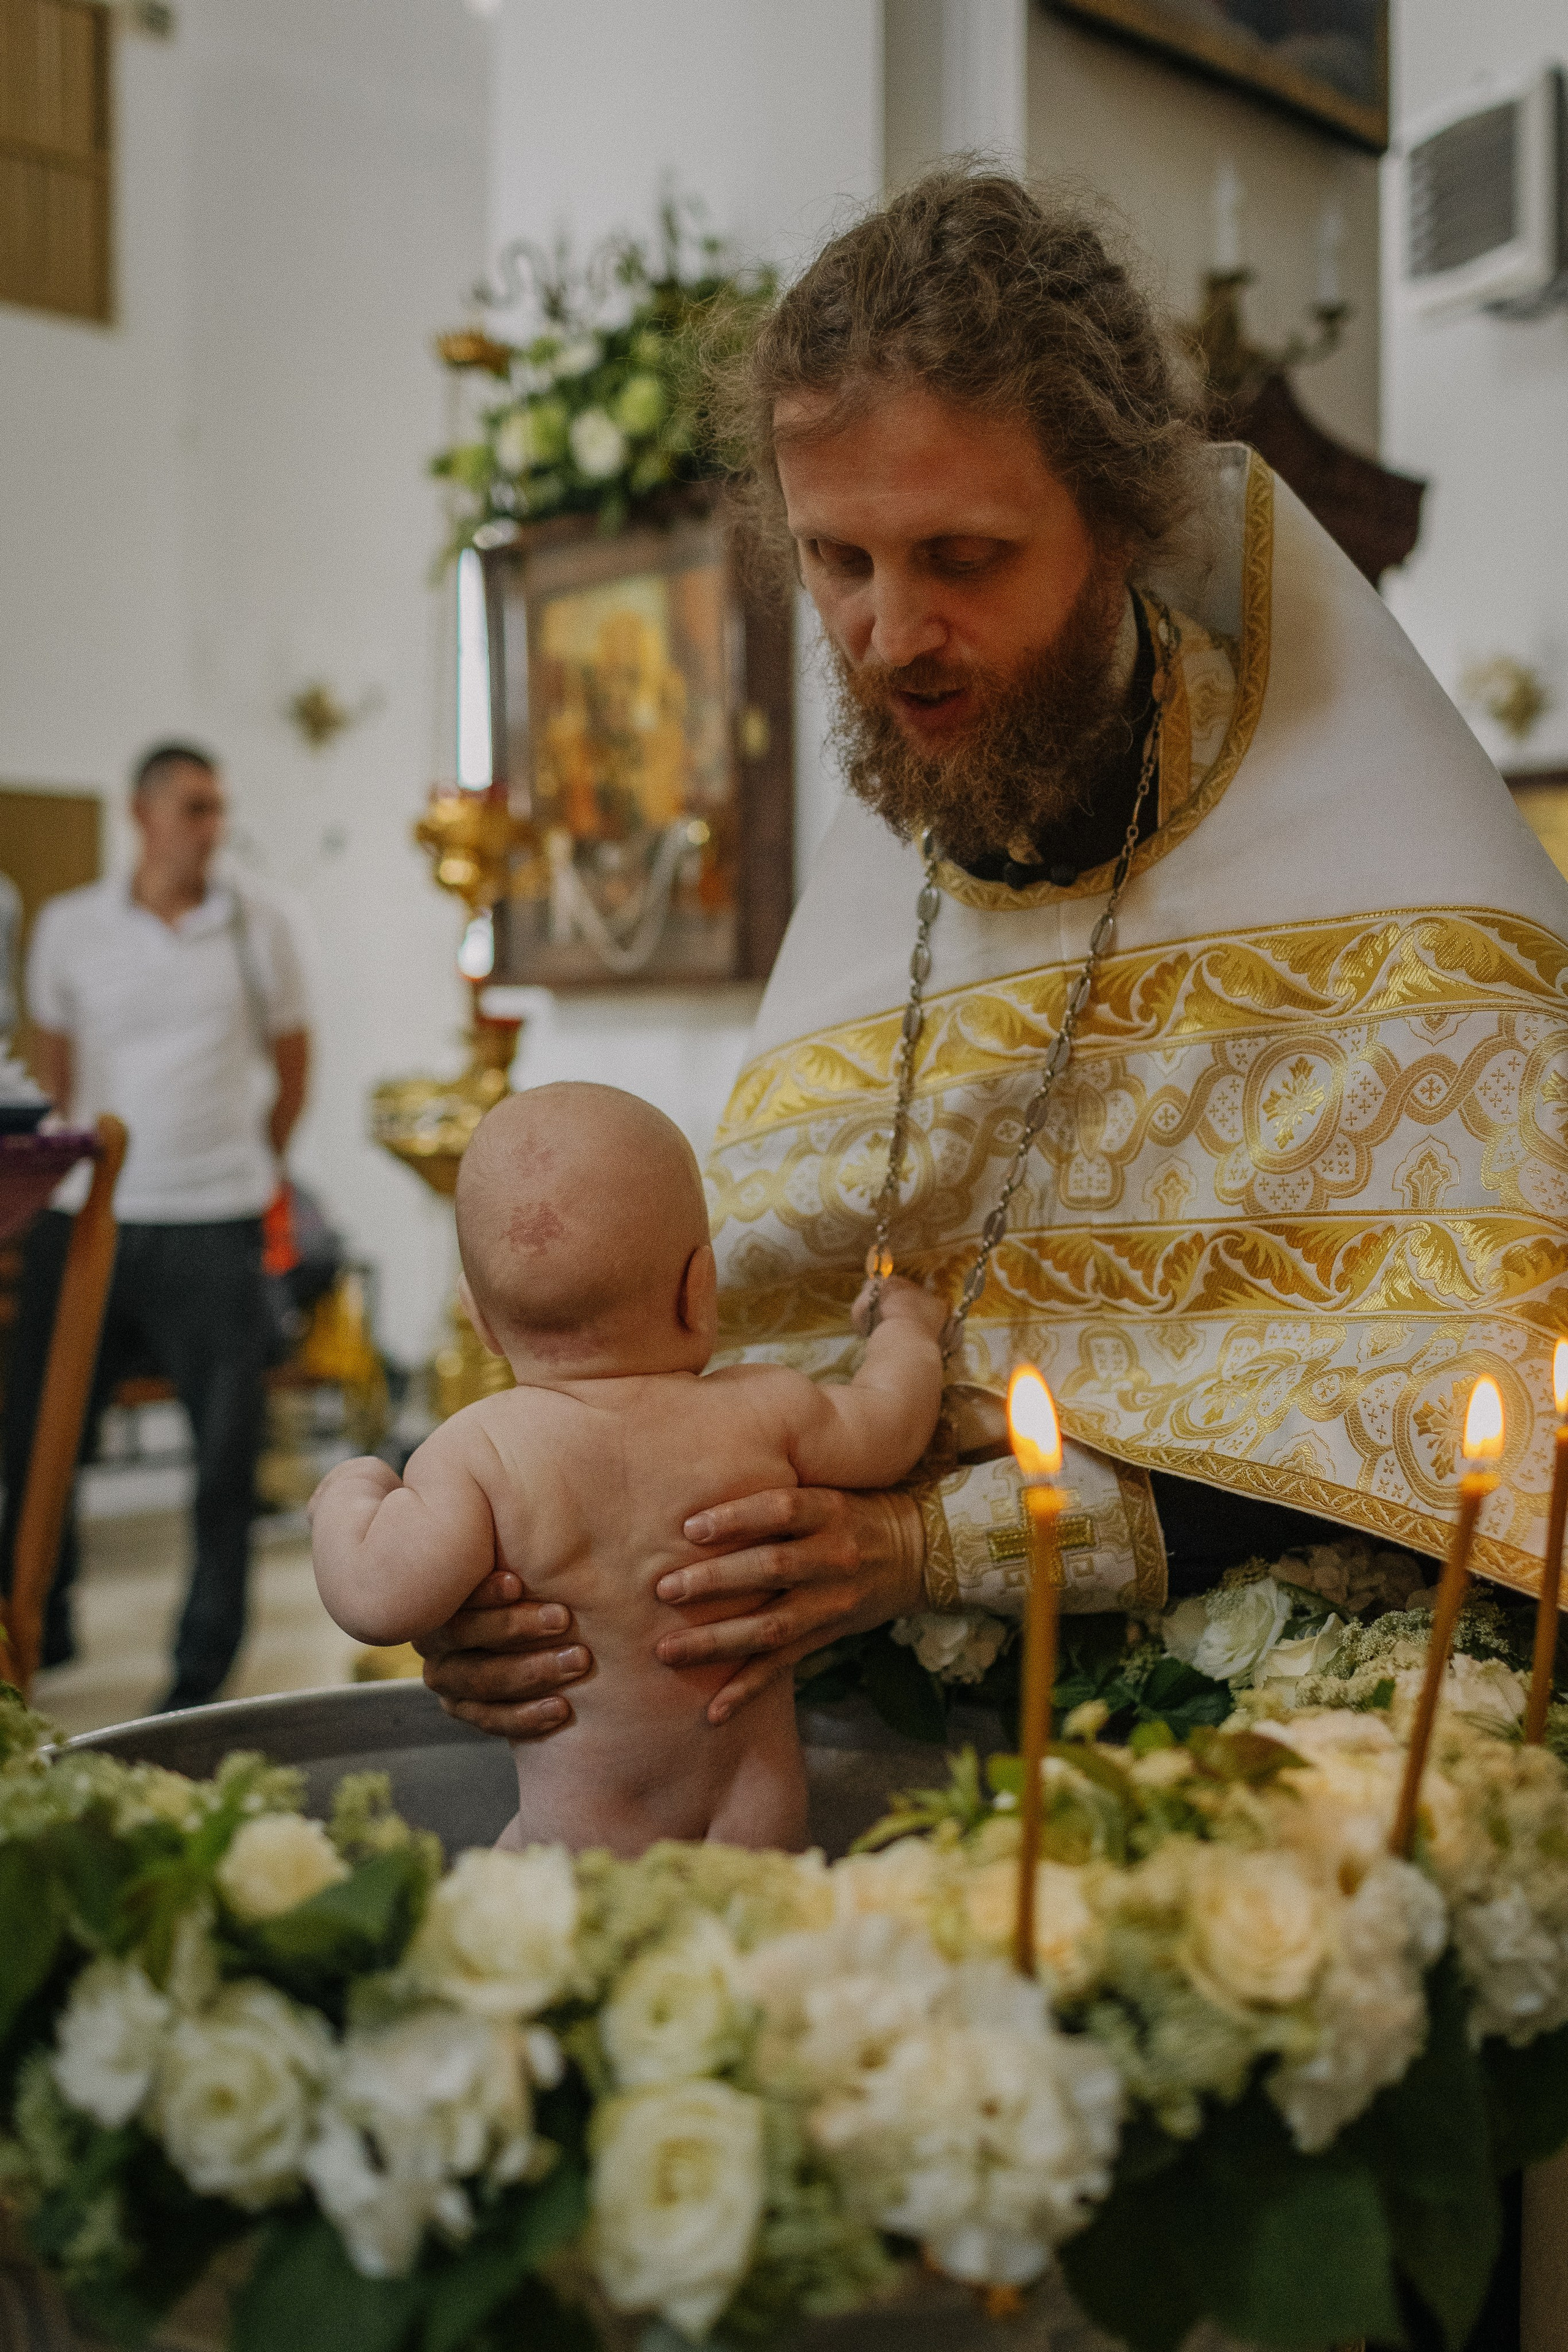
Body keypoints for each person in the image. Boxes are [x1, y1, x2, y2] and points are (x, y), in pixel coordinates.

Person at [416, 168, 1568, 1747]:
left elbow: (1471, 1439)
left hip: (1275, 1736)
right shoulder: (888, 869)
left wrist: (920, 1547)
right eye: (839, 562)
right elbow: (715, 1375)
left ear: (1117, 521)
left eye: (961, 557)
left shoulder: (1404, 897)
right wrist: (530, 1587)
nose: (889, 637)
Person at [309, 1084, 944, 1856]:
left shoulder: (482, 1451)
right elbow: (893, 1425)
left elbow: (377, 1599)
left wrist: (351, 1489)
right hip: (758, 1822)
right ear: (698, 1289)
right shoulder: (767, 1412)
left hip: (581, 1843)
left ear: (480, 1321)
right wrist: (905, 1329)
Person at [0, 742, 311, 1709]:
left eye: (219, 808)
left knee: (224, 1460)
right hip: (87, 1220)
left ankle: (199, 1669)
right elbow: (54, 1076)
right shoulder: (69, 927)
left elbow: (294, 1065)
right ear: (143, 815)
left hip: (213, 1220)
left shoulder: (258, 927)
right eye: (194, 807)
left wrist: (249, 1164)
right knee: (37, 1436)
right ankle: (38, 1630)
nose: (211, 826)